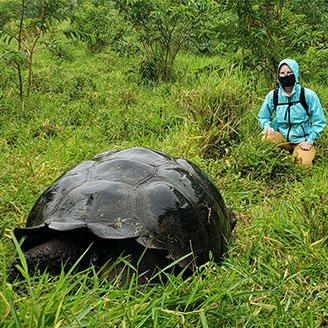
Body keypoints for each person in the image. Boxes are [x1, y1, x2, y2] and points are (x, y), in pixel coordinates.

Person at [258, 58, 326, 167]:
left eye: (289, 73)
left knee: (303, 165)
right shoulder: (273, 96)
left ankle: (300, 154)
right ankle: (281, 159)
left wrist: (310, 140)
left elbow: (319, 121)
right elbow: (263, 117)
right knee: (266, 138)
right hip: (283, 138)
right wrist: (266, 126)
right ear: (278, 76)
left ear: (295, 73)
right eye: (282, 73)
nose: (286, 76)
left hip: (302, 141)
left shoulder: (308, 95)